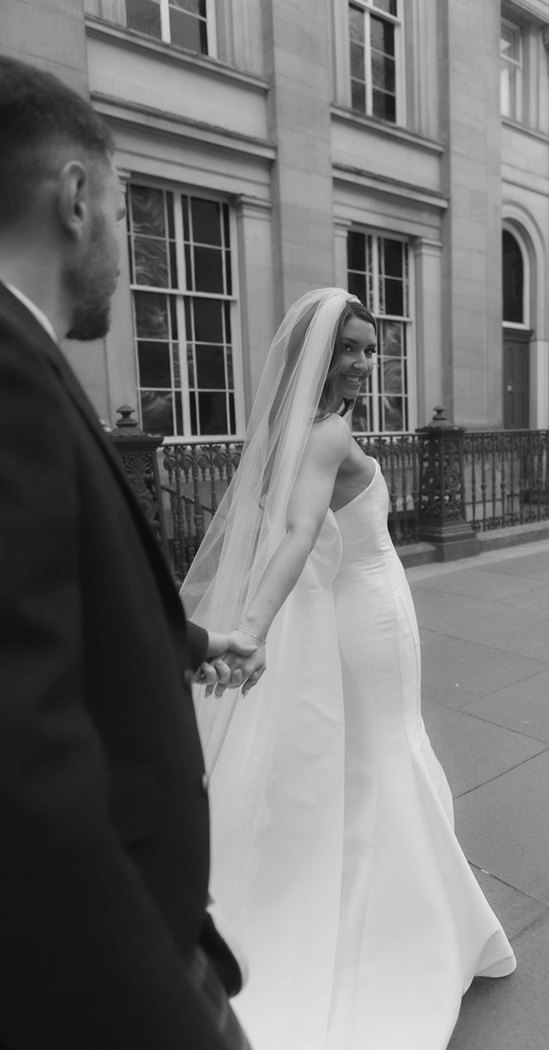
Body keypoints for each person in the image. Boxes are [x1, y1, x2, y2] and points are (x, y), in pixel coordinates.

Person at [0, 56, 264, 1049]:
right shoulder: (8, 372)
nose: (129, 244)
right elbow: (21, 768)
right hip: (119, 971)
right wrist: (162, 1010)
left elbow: (49, 605)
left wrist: (191, 638)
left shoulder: (27, 357)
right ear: (75, 199)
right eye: (124, 210)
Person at [182, 288, 516, 1050]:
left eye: (371, 348)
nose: (366, 362)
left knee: (376, 753)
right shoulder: (327, 433)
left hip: (359, 611)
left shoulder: (287, 429)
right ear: (318, 357)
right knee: (387, 752)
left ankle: (400, 906)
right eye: (352, 349)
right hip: (368, 615)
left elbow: (294, 531)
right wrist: (254, 629)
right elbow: (299, 534)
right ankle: (408, 925)